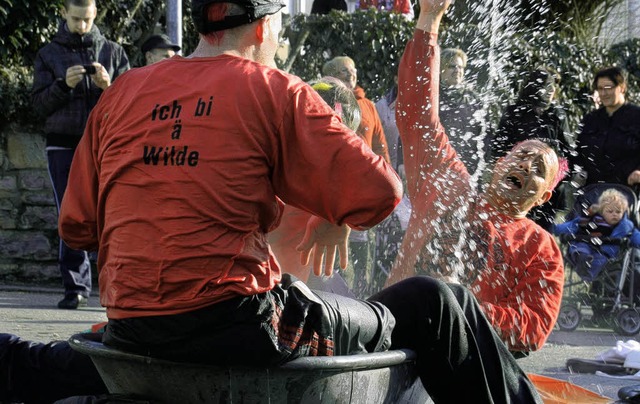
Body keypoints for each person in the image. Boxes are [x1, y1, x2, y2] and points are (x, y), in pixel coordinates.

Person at [57, 0, 542, 401]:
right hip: (241, 326)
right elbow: (381, 192)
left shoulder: (122, 91)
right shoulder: (272, 87)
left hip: (128, 324)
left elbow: (77, 227)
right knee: (439, 300)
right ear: (267, 25)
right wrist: (338, 215)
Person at [386, 3, 565, 356]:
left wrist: (462, 308)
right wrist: (430, 20)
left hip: (465, 365)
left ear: (543, 197)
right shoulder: (450, 186)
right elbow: (416, 112)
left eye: (539, 169)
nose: (527, 165)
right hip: (393, 335)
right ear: (498, 164)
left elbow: (531, 329)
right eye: (521, 156)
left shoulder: (540, 249)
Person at [31, 0, 130, 310]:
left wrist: (108, 86)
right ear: (63, 13)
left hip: (106, 142)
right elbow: (37, 107)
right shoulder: (47, 55)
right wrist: (64, 85)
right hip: (63, 143)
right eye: (76, 19)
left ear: (95, 13)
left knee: (112, 212)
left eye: (87, 19)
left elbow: (132, 104)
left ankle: (115, 285)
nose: (82, 26)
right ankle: (75, 287)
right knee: (70, 214)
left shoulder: (113, 52)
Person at [322, 55, 391, 296]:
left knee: (363, 244)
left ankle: (361, 290)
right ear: (330, 76)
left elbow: (381, 145)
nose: (351, 75)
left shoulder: (368, 106)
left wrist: (386, 174)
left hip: (364, 186)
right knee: (336, 244)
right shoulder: (324, 100)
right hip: (335, 186)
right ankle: (333, 289)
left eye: (353, 71)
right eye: (344, 71)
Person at [491, 67, 573, 232]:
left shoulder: (557, 115)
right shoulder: (515, 112)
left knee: (542, 234)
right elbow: (498, 149)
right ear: (534, 87)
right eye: (547, 86)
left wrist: (554, 177)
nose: (551, 91)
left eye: (553, 87)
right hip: (517, 185)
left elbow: (568, 151)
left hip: (550, 189)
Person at [571, 66, 640, 188]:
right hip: (592, 192)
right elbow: (577, 153)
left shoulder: (636, 117)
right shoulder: (590, 120)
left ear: (622, 88)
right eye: (600, 89)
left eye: (608, 88)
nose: (603, 93)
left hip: (628, 192)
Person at [554, 188, 640, 281]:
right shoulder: (592, 219)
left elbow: (636, 236)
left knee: (600, 260)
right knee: (579, 247)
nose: (614, 214)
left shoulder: (625, 227)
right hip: (585, 244)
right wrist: (553, 228)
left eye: (618, 212)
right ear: (602, 211)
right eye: (610, 211)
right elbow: (572, 226)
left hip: (605, 253)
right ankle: (583, 259)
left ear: (623, 212)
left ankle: (588, 274)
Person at [439, 47, 487, 179]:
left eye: (460, 67)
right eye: (452, 66)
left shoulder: (473, 99)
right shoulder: (433, 97)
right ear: (440, 69)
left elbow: (484, 134)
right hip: (439, 167)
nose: (457, 71)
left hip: (469, 169)